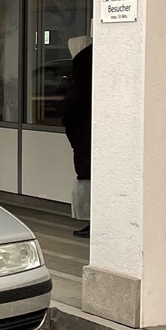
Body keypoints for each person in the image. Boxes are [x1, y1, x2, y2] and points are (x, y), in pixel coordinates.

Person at [62, 37, 93, 238]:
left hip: (84, 134)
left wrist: (64, 114)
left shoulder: (82, 72)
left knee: (87, 175)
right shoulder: (90, 67)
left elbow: (75, 102)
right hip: (86, 132)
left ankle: (92, 221)